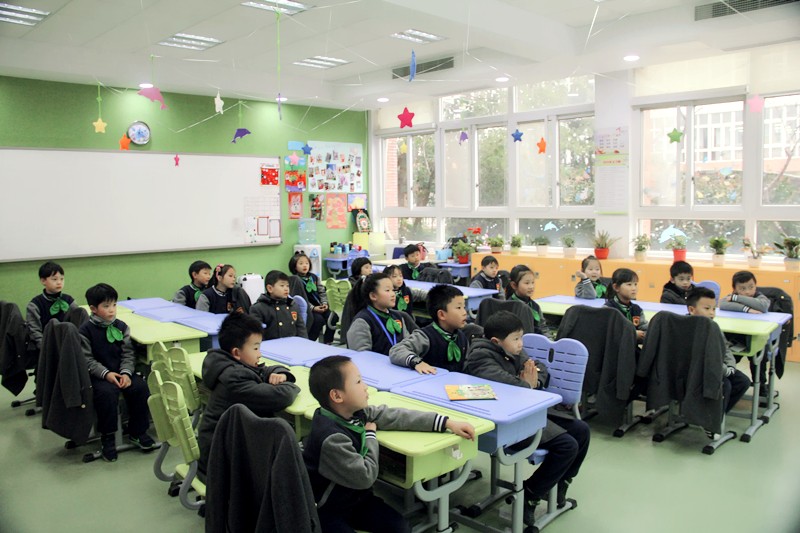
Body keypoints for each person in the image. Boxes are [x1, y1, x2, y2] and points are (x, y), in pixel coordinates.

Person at [303, 355, 475, 533]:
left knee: (400, 528)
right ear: (337, 396)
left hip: (357, 500)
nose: (365, 386)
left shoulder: (352, 413)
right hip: (328, 509)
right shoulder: (332, 437)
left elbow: (395, 416)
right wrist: (370, 435)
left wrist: (447, 423)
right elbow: (366, 476)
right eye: (358, 382)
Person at [464, 311, 590, 527]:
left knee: (582, 430)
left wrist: (533, 382)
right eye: (516, 339)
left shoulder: (512, 350)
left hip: (525, 410)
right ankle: (530, 495)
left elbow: (538, 367)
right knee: (567, 446)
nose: (521, 344)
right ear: (496, 341)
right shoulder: (480, 357)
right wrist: (527, 384)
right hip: (505, 422)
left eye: (521, 337)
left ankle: (560, 483)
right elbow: (506, 387)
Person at [198, 312, 299, 474]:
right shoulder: (235, 378)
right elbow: (283, 396)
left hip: (225, 445)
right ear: (237, 353)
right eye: (256, 348)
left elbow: (261, 370)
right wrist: (288, 383)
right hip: (222, 462)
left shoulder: (225, 364)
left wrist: (280, 373)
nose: (260, 354)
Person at [78, 283, 155, 462]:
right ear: (93, 309)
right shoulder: (85, 331)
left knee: (140, 388)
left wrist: (126, 373)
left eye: (114, 305)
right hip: (99, 375)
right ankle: (108, 437)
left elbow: (128, 354)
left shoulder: (122, 327)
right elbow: (87, 360)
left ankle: (138, 431)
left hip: (122, 371)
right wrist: (107, 374)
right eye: (106, 306)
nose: (112, 310)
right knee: (106, 394)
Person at [686, 287, 751, 416]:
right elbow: (705, 359)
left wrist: (731, 366)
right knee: (724, 386)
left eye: (714, 309)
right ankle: (709, 418)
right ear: (692, 310)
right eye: (707, 308)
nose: (711, 313)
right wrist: (725, 371)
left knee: (743, 382)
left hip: (715, 369)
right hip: (695, 372)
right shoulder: (685, 328)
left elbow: (725, 348)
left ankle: (716, 415)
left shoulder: (713, 327)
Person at [389, 285, 469, 373]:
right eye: (458, 308)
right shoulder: (425, 336)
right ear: (442, 315)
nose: (464, 313)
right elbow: (396, 351)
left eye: (464, 307)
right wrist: (416, 362)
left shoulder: (462, 337)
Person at [346, 273, 410, 354]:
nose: (393, 294)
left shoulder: (397, 317)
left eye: (393, 290)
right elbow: (361, 356)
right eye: (387, 290)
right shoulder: (362, 321)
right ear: (373, 296)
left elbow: (408, 345)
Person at [26, 261, 79, 355]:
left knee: (81, 312)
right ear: (43, 281)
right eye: (54, 279)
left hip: (69, 344)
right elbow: (34, 331)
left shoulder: (69, 300)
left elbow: (78, 323)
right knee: (53, 322)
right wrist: (45, 348)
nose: (59, 282)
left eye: (62, 279)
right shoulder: (35, 304)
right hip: (47, 347)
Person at [289, 252, 335, 344]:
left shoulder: (314, 277)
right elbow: (300, 298)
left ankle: (327, 341)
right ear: (294, 267)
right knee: (318, 320)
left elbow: (322, 292)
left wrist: (324, 303)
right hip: (309, 309)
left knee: (333, 317)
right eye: (301, 263)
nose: (304, 265)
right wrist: (313, 308)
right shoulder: (295, 280)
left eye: (307, 263)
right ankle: (309, 342)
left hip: (320, 305)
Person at [249, 270, 308, 340]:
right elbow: (256, 335)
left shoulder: (292, 305)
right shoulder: (258, 308)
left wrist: (304, 343)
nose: (286, 289)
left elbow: (301, 329)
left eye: (287, 286)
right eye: (282, 285)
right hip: (270, 345)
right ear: (270, 288)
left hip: (292, 344)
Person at [605, 268, 647, 343]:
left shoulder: (636, 309)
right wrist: (632, 334)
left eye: (635, 284)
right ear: (616, 287)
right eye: (629, 284)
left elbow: (644, 328)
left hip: (632, 348)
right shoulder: (608, 309)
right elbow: (607, 333)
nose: (634, 288)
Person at [506, 265, 545, 335]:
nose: (531, 287)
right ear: (514, 285)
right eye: (527, 283)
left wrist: (549, 340)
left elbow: (543, 327)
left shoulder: (535, 306)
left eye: (533, 282)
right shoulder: (509, 306)